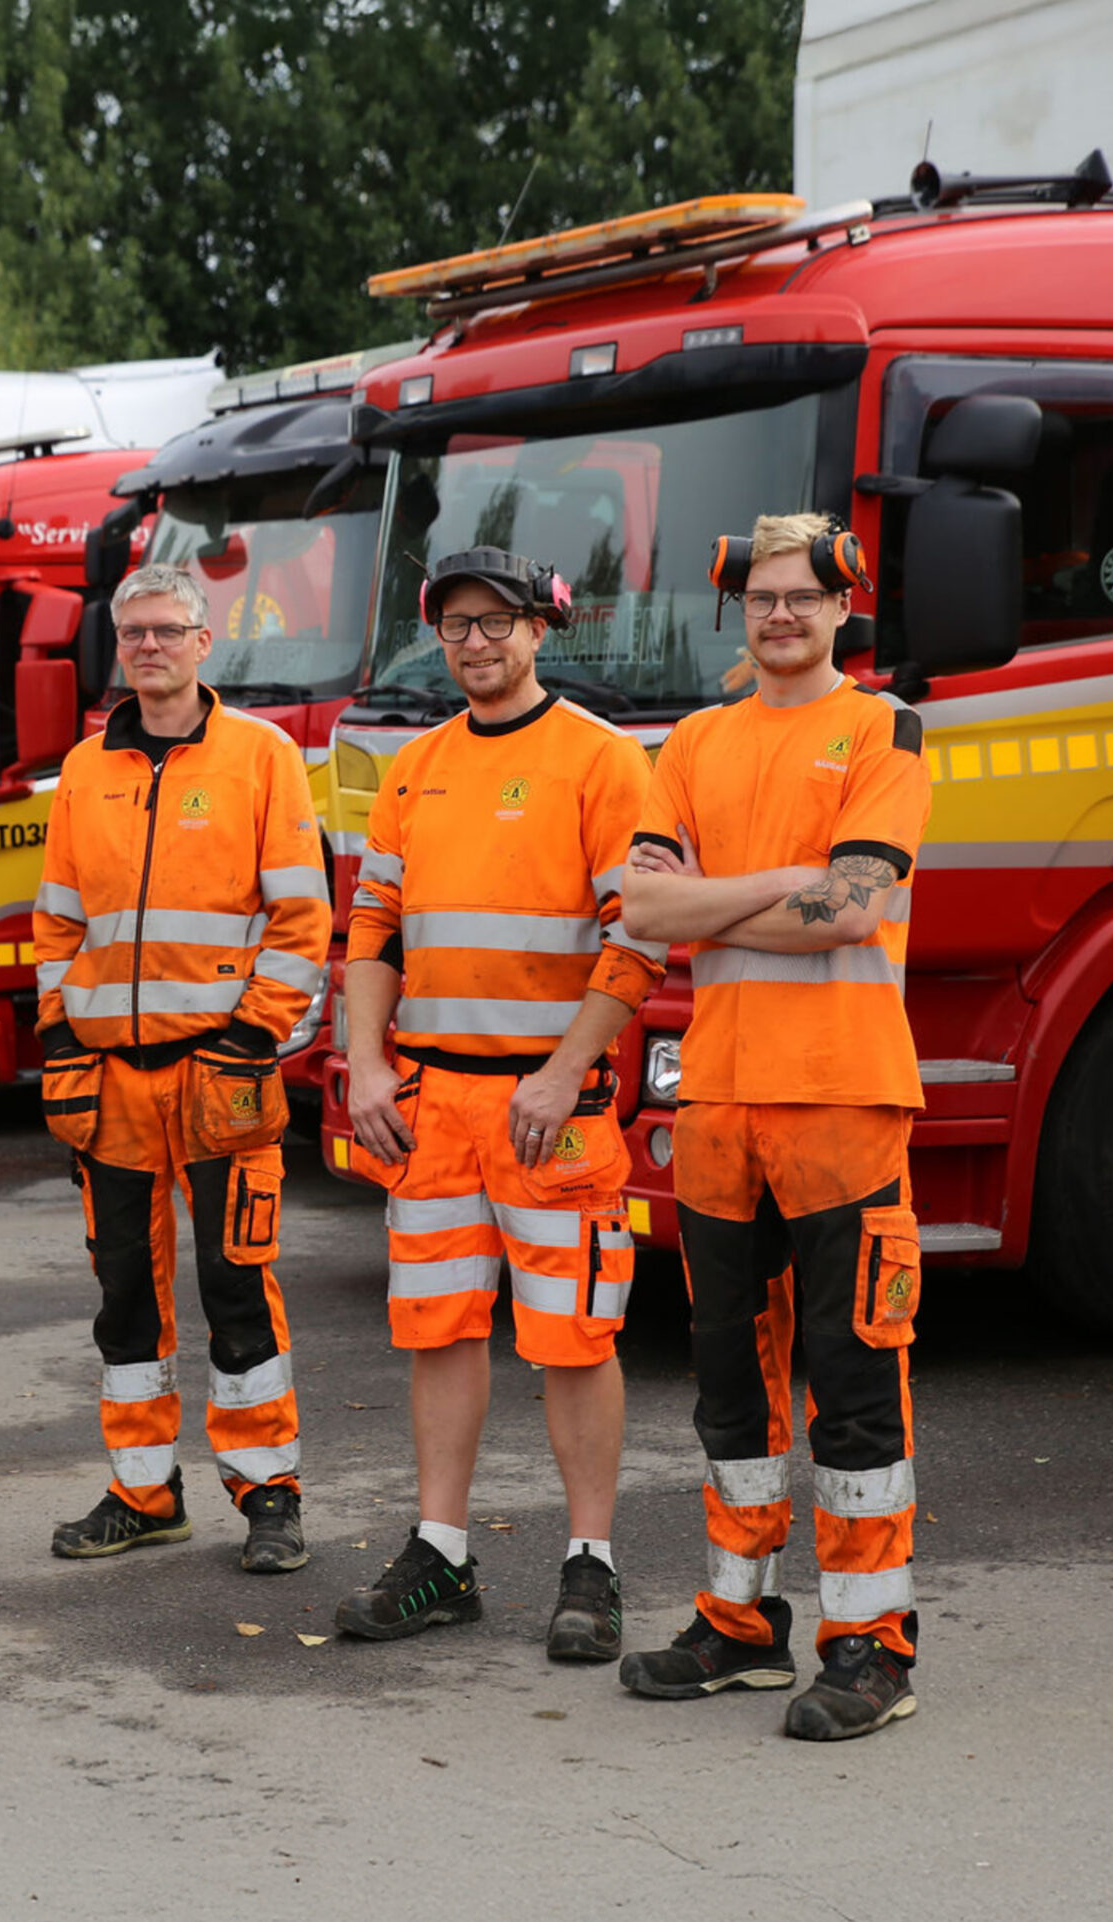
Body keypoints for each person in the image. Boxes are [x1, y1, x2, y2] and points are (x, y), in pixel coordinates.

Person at [616, 513, 931, 1741]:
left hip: (844, 1097)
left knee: (853, 1382)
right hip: (718, 1104)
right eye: (760, 597)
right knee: (726, 1389)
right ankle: (739, 1624)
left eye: (802, 596)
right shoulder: (692, 739)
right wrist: (773, 885)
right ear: (737, 610)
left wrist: (712, 900)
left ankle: (871, 1643)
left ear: (841, 608)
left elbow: (852, 909)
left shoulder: (880, 727)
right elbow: (641, 904)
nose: (781, 614)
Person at [334, 549, 664, 1653]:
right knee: (439, 1326)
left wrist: (567, 1067)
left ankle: (590, 1565)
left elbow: (639, 933)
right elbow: (371, 929)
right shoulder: (413, 765)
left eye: (494, 622)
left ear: (538, 629)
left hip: (548, 1106)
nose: (472, 642)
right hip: (432, 1104)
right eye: (453, 625)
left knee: (573, 1338)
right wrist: (367, 1063)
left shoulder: (602, 762)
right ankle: (442, 1551)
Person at [32, 561, 331, 1574]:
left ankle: (269, 1494)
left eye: (167, 629)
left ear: (206, 641)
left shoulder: (261, 756)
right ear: (118, 646)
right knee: (125, 1293)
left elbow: (302, 918)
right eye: (133, 633)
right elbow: (58, 920)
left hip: (221, 1075)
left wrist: (252, 1035)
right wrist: (59, 1031)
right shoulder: (84, 768)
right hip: (110, 1079)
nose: (149, 646)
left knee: (235, 1282)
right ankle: (142, 1490)